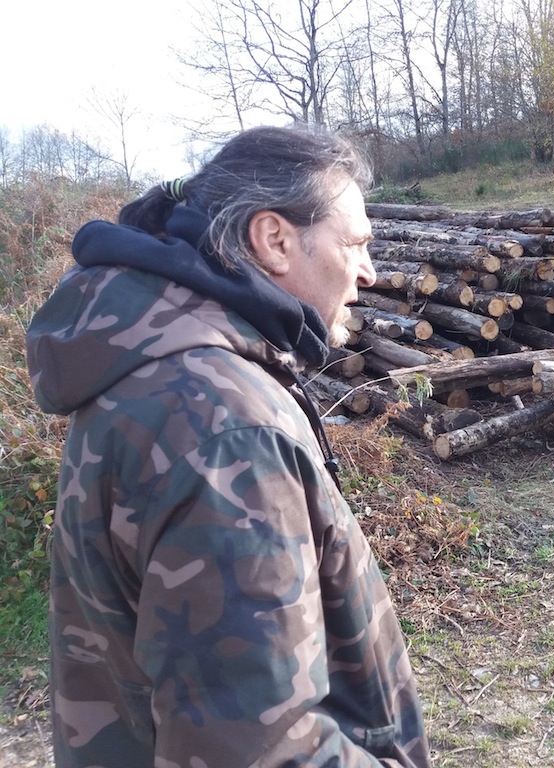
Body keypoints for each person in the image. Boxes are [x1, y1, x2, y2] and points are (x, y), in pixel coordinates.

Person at [26, 125, 432, 768]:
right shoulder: (224, 427)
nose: (368, 271)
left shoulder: (161, 364)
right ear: (274, 240)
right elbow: (262, 747)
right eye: (354, 244)